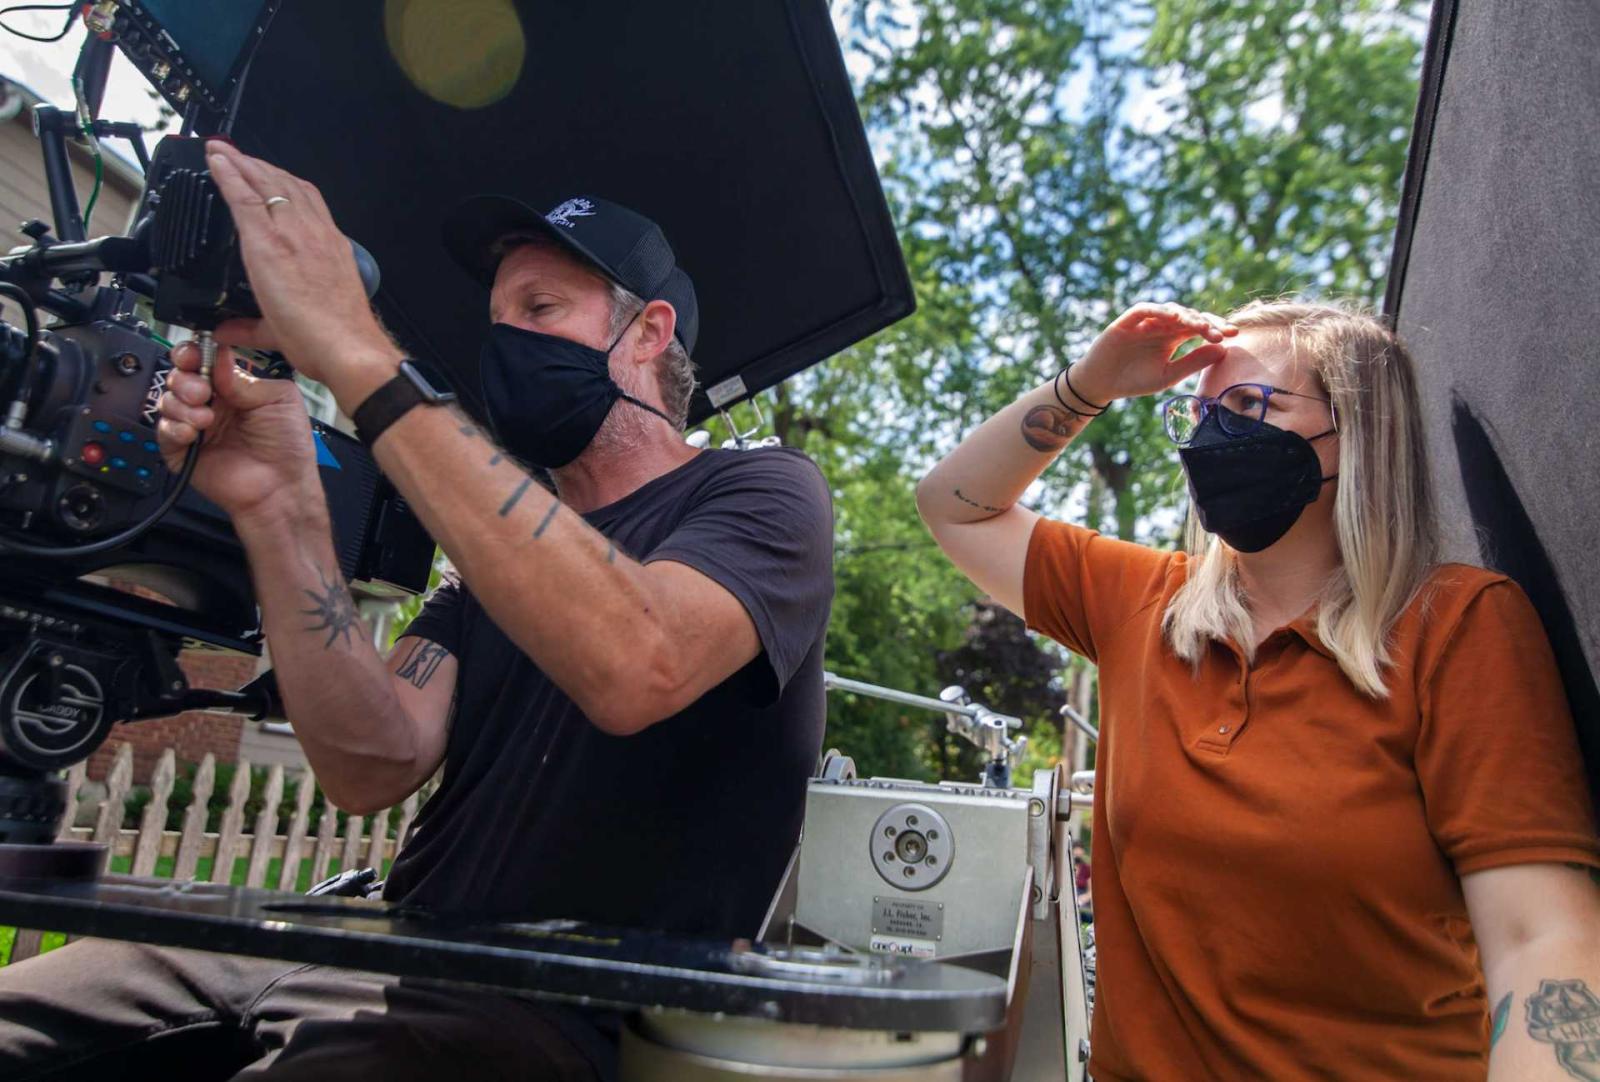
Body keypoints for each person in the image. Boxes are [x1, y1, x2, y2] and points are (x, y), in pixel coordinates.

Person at [0, 142, 834, 1080]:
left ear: (646, 333)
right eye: (498, 319)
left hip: (552, 1010)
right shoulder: (498, 559)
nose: (506, 340)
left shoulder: (764, 492)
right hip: (363, 941)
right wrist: (280, 505)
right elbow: (374, 759)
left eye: (542, 309)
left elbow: (640, 661)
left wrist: (357, 350)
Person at [917, 299, 1600, 1081]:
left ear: (1360, 432)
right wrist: (1092, 383)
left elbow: (1540, 943)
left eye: (1247, 406)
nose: (1212, 435)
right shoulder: (1142, 603)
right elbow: (954, 507)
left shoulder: (1460, 626)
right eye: (1199, 411)